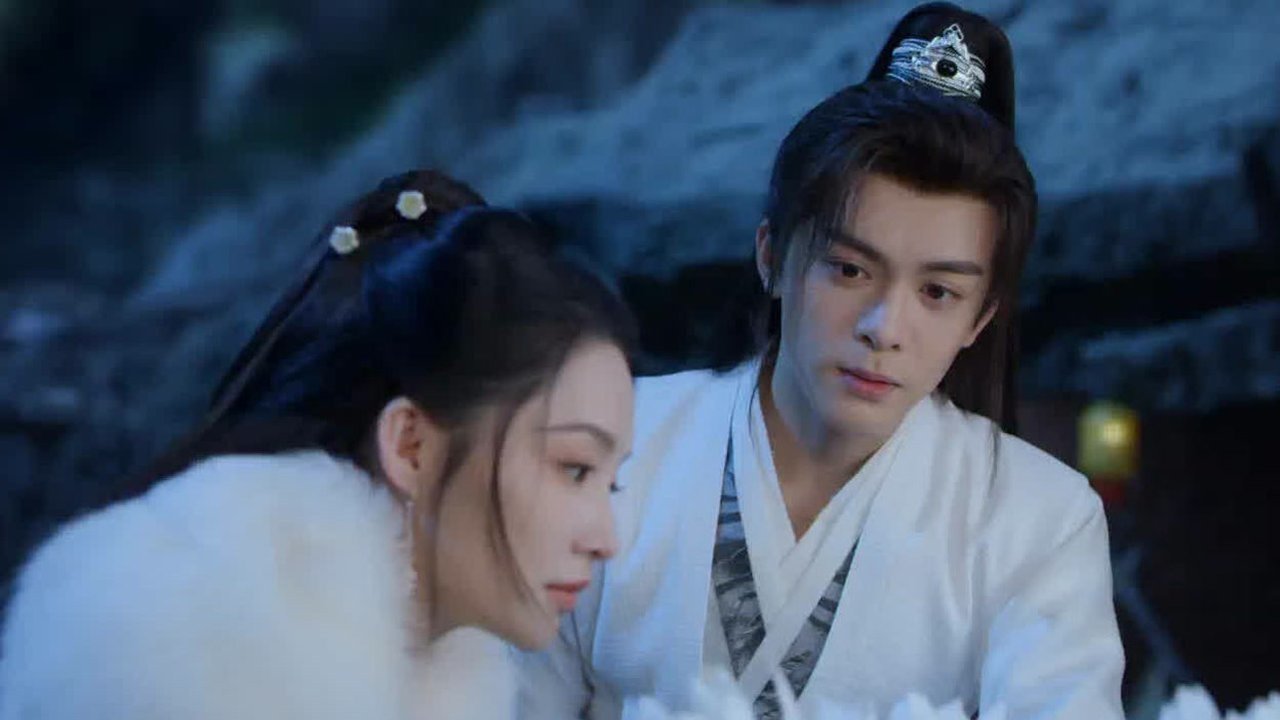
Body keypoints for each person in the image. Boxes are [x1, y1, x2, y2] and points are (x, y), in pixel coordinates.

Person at [517, 4, 1124, 719]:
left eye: (938, 292)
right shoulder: (614, 443)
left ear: (979, 318)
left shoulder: (1039, 519)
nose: (884, 329)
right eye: (849, 270)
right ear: (772, 257)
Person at [0, 170, 638, 720]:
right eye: (574, 469)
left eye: (611, 482)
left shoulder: (446, 672)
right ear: (412, 447)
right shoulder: (158, 633)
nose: (607, 538)